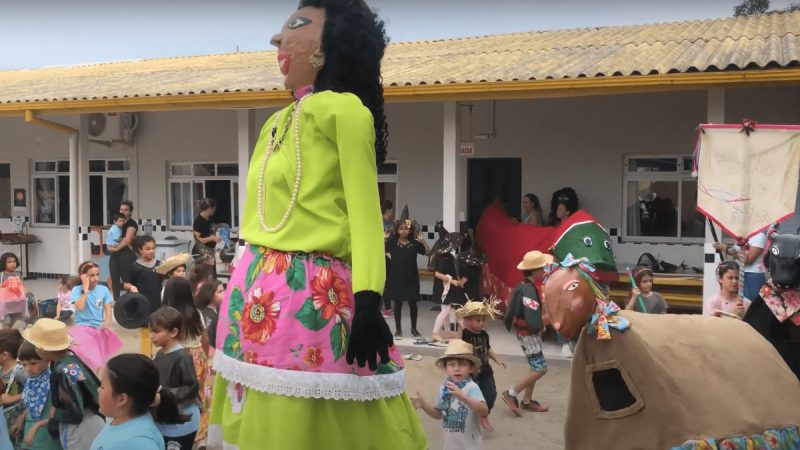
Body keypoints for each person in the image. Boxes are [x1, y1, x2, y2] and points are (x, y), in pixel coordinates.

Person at [209, 2, 426, 448]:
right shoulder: (275, 121)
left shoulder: (344, 111)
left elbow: (367, 216)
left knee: (308, 419)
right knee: (256, 414)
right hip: (251, 297)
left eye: (295, 27)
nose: (276, 39)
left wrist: (368, 299)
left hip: (314, 297)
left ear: (331, 45)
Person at [21, 318, 104, 449]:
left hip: (79, 430)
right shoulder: (71, 362)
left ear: (42, 350)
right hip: (93, 421)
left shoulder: (61, 372)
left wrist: (56, 413)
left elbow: (76, 413)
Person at [92, 353, 188, 450]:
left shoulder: (138, 442)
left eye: (103, 387)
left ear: (121, 399)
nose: (98, 390)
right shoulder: (120, 422)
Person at [410, 339, 488, 450]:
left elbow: (484, 411)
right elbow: (438, 415)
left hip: (471, 445)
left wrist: (463, 397)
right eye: (452, 364)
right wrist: (423, 404)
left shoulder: (472, 387)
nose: (457, 368)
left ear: (471, 368)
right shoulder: (444, 389)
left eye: (462, 364)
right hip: (450, 445)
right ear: (445, 368)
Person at [502, 251, 552, 415]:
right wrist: (544, 321)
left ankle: (527, 401)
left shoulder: (524, 286)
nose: (544, 269)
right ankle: (511, 393)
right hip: (529, 334)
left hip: (526, 333)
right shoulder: (529, 290)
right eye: (542, 267)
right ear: (536, 269)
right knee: (540, 369)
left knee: (534, 367)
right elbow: (532, 318)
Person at [161, 278, 209, 444]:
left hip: (179, 358)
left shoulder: (168, 316)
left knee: (178, 394)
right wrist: (205, 356)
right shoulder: (196, 312)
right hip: (198, 357)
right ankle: (200, 433)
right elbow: (205, 338)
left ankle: (179, 429)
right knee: (200, 394)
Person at [150, 307, 200, 449]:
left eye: (157, 331)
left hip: (180, 422)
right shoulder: (159, 354)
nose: (151, 336)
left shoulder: (182, 357)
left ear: (173, 332)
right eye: (151, 331)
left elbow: (191, 387)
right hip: (164, 417)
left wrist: (164, 396)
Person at [457, 300, 505, 432]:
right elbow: (457, 342)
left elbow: (488, 349)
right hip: (470, 374)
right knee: (469, 397)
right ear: (468, 320)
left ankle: (483, 416)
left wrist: (497, 359)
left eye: (483, 320)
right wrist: (461, 327)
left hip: (485, 371)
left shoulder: (484, 335)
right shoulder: (466, 334)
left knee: (491, 395)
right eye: (478, 320)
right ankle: (468, 421)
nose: (482, 323)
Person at [69, 261, 123, 373]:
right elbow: (80, 307)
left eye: (97, 274)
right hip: (82, 328)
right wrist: (85, 289)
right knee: (83, 358)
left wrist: (107, 322)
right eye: (92, 275)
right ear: (83, 276)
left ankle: (92, 381)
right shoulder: (77, 290)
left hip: (98, 329)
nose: (96, 278)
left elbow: (107, 308)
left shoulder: (103, 290)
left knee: (97, 363)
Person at [385, 219, 428, 338]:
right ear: (397, 230)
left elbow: (428, 252)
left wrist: (423, 240)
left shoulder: (414, 243)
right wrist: (384, 238)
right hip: (397, 278)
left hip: (412, 279)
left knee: (413, 304)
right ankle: (398, 330)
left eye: (406, 229)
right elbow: (380, 250)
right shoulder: (392, 243)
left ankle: (414, 329)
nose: (404, 231)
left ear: (410, 230)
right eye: (401, 228)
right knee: (397, 304)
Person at [12, 341, 59, 450]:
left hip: (48, 439)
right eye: (24, 364)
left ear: (46, 358)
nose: (28, 368)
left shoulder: (54, 380)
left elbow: (60, 413)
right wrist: (20, 420)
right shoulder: (31, 381)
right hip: (30, 435)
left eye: (33, 363)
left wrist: (37, 426)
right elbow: (31, 404)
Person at [432, 233, 467, 342]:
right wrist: (452, 281)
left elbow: (452, 271)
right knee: (446, 310)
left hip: (448, 287)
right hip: (444, 288)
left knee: (445, 309)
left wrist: (458, 281)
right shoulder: (443, 258)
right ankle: (435, 333)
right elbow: (437, 274)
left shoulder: (449, 256)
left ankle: (447, 331)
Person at [713, 231, 768, 301]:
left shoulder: (759, 236)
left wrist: (726, 248)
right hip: (738, 274)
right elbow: (736, 256)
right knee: (736, 302)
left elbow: (747, 260)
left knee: (750, 304)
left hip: (753, 276)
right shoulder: (741, 236)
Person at [123, 235, 163, 317]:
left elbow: (164, 280)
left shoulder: (159, 264)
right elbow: (126, 284)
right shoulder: (134, 266)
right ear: (140, 250)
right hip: (141, 303)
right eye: (148, 249)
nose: (152, 251)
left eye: (153, 248)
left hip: (157, 302)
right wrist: (131, 287)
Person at [107, 200, 138, 301]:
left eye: (126, 210)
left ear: (130, 212)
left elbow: (127, 239)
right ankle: (116, 300)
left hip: (127, 254)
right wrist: (109, 246)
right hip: (115, 255)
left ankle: (130, 300)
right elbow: (111, 236)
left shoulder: (131, 224)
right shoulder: (117, 222)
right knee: (114, 277)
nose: (123, 211)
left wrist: (116, 249)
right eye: (121, 209)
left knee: (127, 278)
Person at [0, 329, 25, 446]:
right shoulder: (1, 370)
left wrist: (12, 399)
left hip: (17, 421)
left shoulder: (20, 372)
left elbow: (33, 393)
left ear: (4, 355)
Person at [195, 280, 223, 351]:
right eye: (219, 292)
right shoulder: (207, 316)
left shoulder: (220, 309)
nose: (223, 294)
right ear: (210, 294)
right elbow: (209, 340)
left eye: (223, 290)